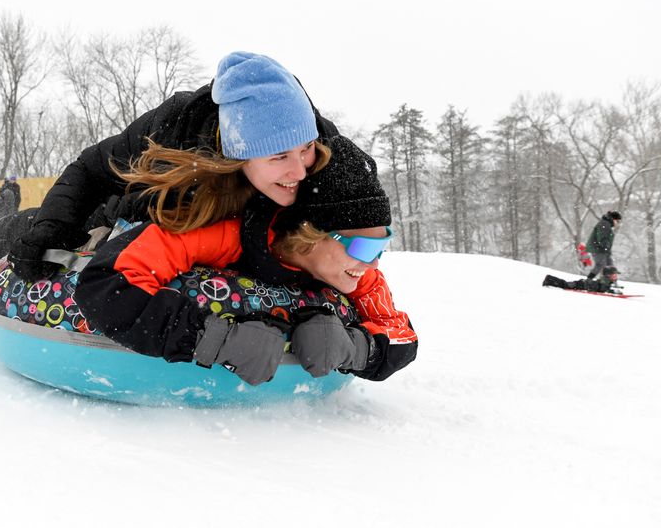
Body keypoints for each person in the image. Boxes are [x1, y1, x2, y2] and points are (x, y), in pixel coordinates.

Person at [75, 135, 417, 386]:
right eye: (362, 248)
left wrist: (357, 348)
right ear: (309, 233)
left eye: (381, 248)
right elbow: (109, 285)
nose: (372, 265)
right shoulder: (227, 234)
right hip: (117, 214)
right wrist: (216, 339)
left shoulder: (359, 274)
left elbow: (401, 334)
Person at [0, 51, 339, 281]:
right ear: (238, 153)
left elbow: (361, 214)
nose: (300, 171)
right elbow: (90, 169)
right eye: (278, 156)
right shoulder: (176, 126)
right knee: (63, 229)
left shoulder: (321, 146)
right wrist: (53, 229)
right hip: (140, 215)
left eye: (305, 150)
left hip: (213, 243)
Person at [585, 210, 621, 279]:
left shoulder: (607, 224)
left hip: (603, 249)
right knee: (600, 265)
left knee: (610, 266)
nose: (618, 223)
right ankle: (588, 280)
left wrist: (608, 250)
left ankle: (608, 283)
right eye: (617, 221)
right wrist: (606, 247)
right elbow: (602, 238)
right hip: (598, 248)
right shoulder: (605, 224)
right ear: (613, 219)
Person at [542, 266, 622, 295]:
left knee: (566, 284)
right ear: (608, 275)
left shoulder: (607, 280)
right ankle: (549, 279)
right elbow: (603, 289)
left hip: (583, 284)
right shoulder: (605, 280)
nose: (616, 276)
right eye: (614, 274)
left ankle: (549, 279)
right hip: (582, 285)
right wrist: (613, 292)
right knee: (565, 285)